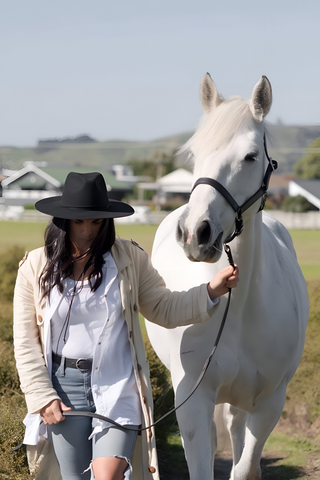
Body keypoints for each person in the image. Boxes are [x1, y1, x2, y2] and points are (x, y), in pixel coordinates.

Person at [13, 172, 239, 480]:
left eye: (97, 222)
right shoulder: (34, 268)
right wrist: (41, 396)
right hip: (62, 390)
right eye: (80, 222)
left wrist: (210, 291)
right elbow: (25, 342)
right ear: (63, 221)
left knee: (108, 476)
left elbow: (163, 307)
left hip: (118, 383)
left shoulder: (129, 258)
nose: (88, 231)